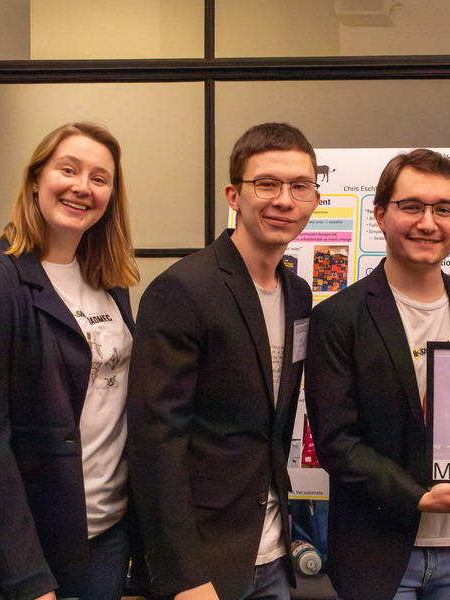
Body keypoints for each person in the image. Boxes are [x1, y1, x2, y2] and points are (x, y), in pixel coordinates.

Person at [126, 123, 318, 600]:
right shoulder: (185, 289)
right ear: (234, 195)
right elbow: (155, 441)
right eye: (267, 184)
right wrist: (185, 575)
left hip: (272, 552)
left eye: (300, 186)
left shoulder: (298, 293)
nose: (284, 200)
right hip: (205, 563)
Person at [0, 122, 140, 600]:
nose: (83, 187)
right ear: (36, 179)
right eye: (68, 170)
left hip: (105, 534)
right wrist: (30, 577)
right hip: (26, 549)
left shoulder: (109, 280)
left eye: (100, 178)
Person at [305, 149, 450, 600]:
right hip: (377, 551)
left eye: (443, 209)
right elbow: (337, 443)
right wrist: (418, 495)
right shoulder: (339, 316)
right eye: (411, 206)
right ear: (380, 214)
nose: (428, 223)